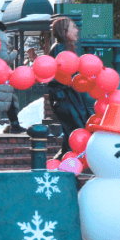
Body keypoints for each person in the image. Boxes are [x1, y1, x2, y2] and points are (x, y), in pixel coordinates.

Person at [47, 17, 91, 158]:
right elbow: (57, 78)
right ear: (64, 31)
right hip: (65, 99)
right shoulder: (60, 49)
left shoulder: (64, 48)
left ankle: (60, 168)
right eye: (73, 27)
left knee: (71, 136)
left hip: (68, 98)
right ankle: (60, 167)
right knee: (75, 132)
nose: (76, 30)